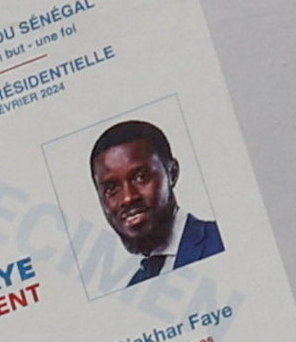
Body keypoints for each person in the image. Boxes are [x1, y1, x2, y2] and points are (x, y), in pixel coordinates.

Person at [88, 122, 222, 286]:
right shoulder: (135, 285)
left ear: (172, 174)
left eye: (141, 177)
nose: (128, 197)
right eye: (111, 188)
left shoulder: (221, 240)